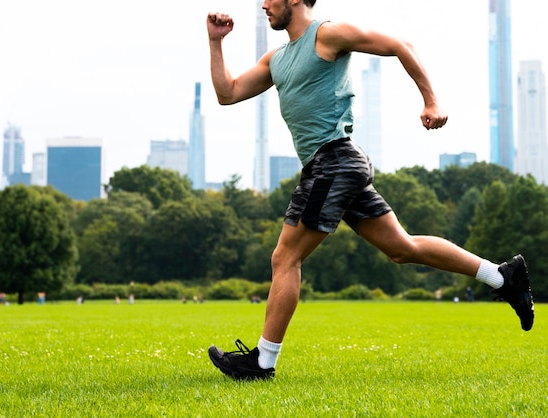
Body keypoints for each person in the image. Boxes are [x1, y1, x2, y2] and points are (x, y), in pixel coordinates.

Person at [206, 0, 535, 381]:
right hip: (332, 165)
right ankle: (502, 276)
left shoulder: (327, 35)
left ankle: (262, 362)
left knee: (285, 258)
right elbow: (227, 93)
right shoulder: (276, 58)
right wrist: (216, 43)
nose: (263, 4)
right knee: (402, 248)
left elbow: (400, 45)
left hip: (334, 161)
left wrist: (431, 100)